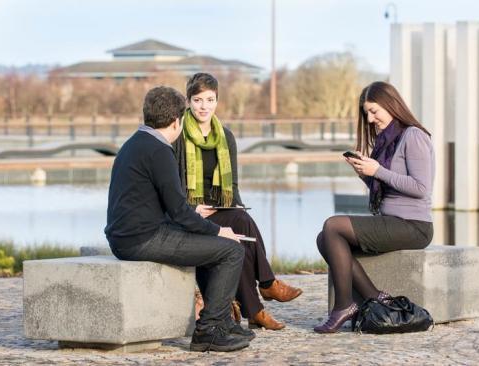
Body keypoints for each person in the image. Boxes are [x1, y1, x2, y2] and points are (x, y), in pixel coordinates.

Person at [105, 86, 255, 352]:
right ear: (177, 121)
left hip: (127, 235)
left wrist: (199, 221)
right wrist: (219, 232)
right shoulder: (159, 150)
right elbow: (180, 212)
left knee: (210, 245)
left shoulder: (135, 143)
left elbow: (161, 204)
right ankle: (208, 331)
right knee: (231, 250)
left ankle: (220, 321)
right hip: (142, 239)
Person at [173, 73, 303, 330]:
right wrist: (192, 209)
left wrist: (237, 203)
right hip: (191, 211)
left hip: (220, 208)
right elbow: (172, 185)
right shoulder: (178, 137)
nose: (204, 106)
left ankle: (255, 309)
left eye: (210, 99)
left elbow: (231, 186)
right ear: (188, 101)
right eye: (198, 100)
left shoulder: (226, 137)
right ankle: (266, 287)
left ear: (217, 101)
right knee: (241, 224)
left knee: (239, 225)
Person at [314, 81, 435, 333]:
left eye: (374, 111)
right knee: (324, 238)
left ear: (391, 105)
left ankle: (344, 305)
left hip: (414, 226)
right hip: (391, 220)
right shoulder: (386, 140)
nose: (370, 119)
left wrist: (378, 170)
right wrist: (365, 173)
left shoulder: (414, 136)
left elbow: (421, 187)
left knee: (332, 225)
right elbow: (387, 187)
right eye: (366, 113)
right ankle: (375, 297)